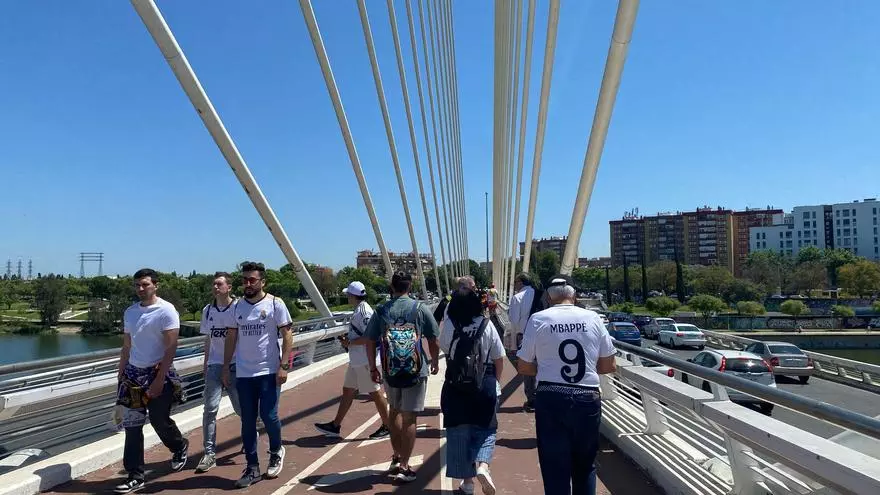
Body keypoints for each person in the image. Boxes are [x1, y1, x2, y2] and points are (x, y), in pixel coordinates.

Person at [516, 274, 617, 495]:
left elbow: (523, 367)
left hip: (551, 398)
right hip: (587, 398)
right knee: (585, 465)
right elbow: (609, 365)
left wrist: (544, 369)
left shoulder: (539, 319)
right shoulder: (593, 318)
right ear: (575, 295)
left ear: (548, 298)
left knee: (554, 468)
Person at [114, 269, 188, 493]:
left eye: (145, 284)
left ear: (155, 285)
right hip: (133, 377)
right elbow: (127, 345)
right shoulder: (130, 312)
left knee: (158, 420)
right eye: (137, 285)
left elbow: (170, 348)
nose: (140, 289)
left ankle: (179, 445)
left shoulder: (166, 311)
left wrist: (159, 380)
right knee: (132, 427)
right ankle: (135, 475)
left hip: (158, 374)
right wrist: (120, 374)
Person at [365, 272, 440, 482]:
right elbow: (434, 338)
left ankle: (397, 456)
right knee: (410, 417)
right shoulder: (419, 308)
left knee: (394, 412)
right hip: (416, 370)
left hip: (391, 371)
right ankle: (405, 465)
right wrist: (434, 360)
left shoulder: (381, 310)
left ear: (392, 286)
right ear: (410, 285)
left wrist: (373, 367)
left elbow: (370, 341)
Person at [223, 261, 293, 488]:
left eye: (252, 280)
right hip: (244, 373)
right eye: (244, 280)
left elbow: (288, 335)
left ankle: (275, 451)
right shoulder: (237, 307)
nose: (248, 284)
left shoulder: (275, 303)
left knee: (270, 415)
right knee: (247, 421)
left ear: (263, 281)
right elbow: (231, 338)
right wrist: (225, 366)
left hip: (269, 370)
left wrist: (284, 366)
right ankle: (252, 467)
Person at [440, 288, 504, 495]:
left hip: (455, 384)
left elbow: (445, 349)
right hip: (483, 381)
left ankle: (467, 483)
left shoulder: (450, 325)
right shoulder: (487, 325)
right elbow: (498, 358)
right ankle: (483, 466)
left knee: (459, 430)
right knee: (486, 427)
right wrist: (495, 382)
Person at [314, 281, 390, 440]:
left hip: (364, 360)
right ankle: (335, 425)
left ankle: (388, 425)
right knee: (348, 390)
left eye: (347, 294)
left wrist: (350, 343)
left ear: (352, 296)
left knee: (375, 392)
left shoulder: (364, 312)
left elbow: (370, 337)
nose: (346, 296)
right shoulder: (360, 309)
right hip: (357, 359)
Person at [196, 272, 241, 473]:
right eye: (213, 284)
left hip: (236, 365)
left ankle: (251, 436)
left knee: (241, 410)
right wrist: (205, 364)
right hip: (214, 365)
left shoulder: (238, 308)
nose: (215, 287)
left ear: (229, 287)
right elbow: (208, 339)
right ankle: (209, 453)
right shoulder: (208, 311)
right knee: (210, 409)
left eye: (219, 284)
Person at [507, 273, 537, 411]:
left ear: (521, 282)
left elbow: (513, 321)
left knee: (527, 366)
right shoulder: (539, 294)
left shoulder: (517, 298)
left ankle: (531, 399)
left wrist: (512, 343)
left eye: (515, 281)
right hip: (542, 336)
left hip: (524, 336)